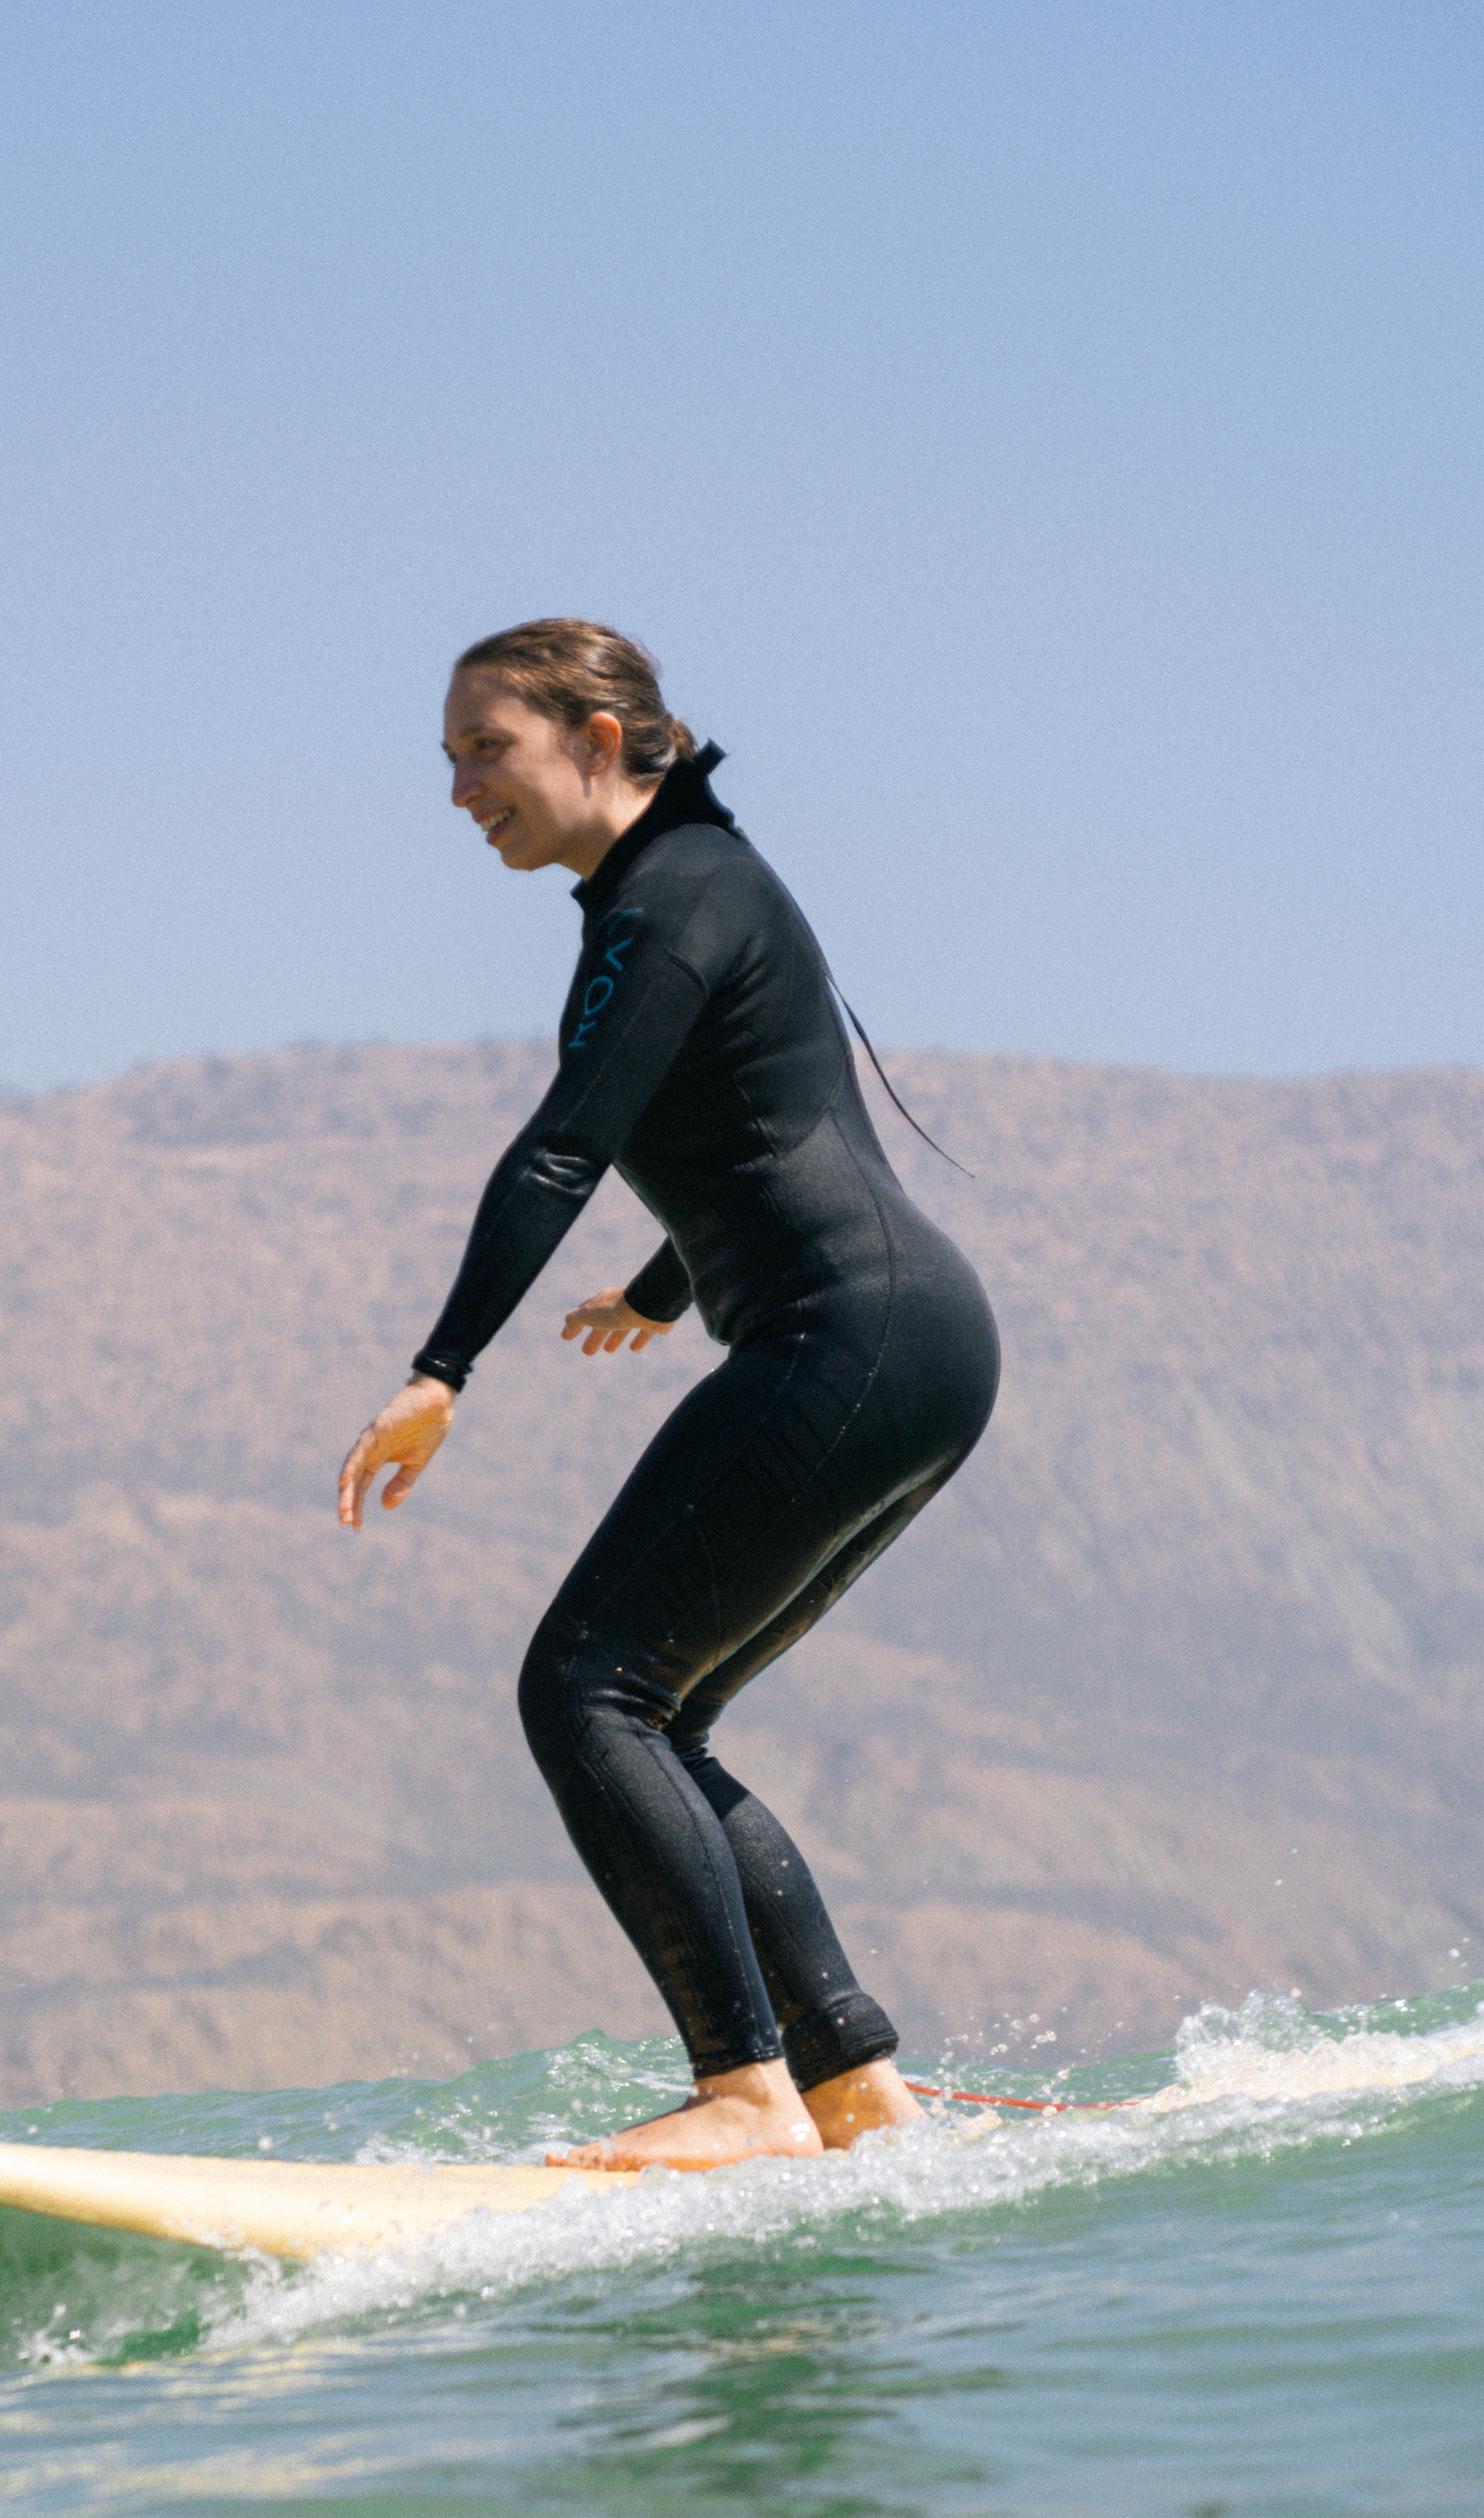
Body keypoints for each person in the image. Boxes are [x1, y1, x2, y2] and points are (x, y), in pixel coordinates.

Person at [336, 619, 1003, 2171]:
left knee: (583, 1687)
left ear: (603, 738)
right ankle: (848, 2089)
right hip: (907, 1339)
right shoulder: (691, 883)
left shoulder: (675, 892)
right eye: (446, 759)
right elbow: (763, 1116)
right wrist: (659, 1287)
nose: (457, 790)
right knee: (664, 1712)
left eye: (484, 749)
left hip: (851, 1333)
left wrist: (443, 1367)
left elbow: (566, 1145)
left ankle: (744, 2092)